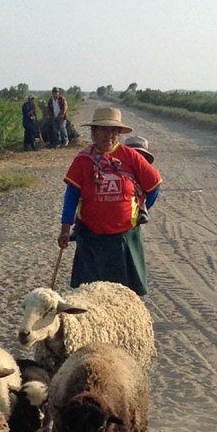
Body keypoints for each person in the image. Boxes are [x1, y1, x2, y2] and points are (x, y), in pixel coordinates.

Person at [58, 107, 162, 296]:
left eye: (114, 131)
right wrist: (66, 228)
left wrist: (139, 211)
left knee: (124, 296)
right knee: (90, 294)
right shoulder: (83, 161)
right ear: (94, 132)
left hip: (123, 239)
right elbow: (71, 195)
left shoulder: (131, 156)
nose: (109, 135)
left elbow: (154, 187)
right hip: (90, 238)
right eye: (104, 130)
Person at [122, 135, 155, 225]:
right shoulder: (118, 168)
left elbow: (153, 190)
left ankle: (141, 211)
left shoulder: (146, 173)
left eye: (140, 155)